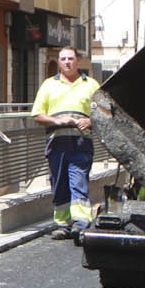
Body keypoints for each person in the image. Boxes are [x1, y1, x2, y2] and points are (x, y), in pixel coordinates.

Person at [33, 46, 101, 239]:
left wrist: (90, 121)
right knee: (59, 182)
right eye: (63, 59)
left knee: (78, 181)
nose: (67, 62)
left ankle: (81, 223)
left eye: (71, 58)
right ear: (59, 62)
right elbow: (37, 114)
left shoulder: (91, 85)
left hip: (81, 143)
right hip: (56, 144)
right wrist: (57, 121)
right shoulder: (48, 85)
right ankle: (63, 225)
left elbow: (105, 113)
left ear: (77, 61)